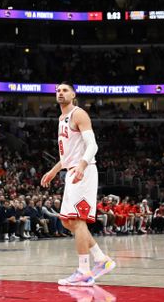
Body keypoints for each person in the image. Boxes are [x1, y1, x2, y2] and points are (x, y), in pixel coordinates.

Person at [41, 82, 115, 286]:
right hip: (72, 170)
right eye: (58, 90)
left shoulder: (78, 114)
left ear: (73, 94)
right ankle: (101, 259)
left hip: (83, 171)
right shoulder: (61, 118)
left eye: (65, 90)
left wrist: (82, 166)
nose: (60, 93)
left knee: (77, 219)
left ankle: (84, 271)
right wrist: (53, 171)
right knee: (67, 221)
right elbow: (67, 156)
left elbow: (92, 145)